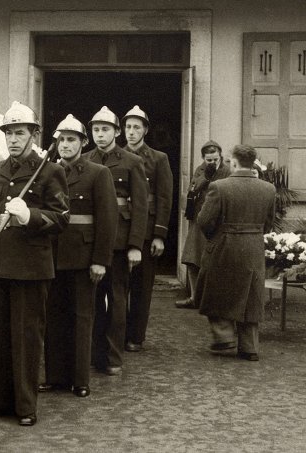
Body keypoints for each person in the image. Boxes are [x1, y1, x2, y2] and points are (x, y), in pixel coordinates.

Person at [0, 102, 69, 426]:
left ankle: (26, 407)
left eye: (20, 133)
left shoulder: (51, 171)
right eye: (9, 133)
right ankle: (0, 402)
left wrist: (31, 216)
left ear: (34, 135)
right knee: (0, 337)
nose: (13, 139)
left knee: (26, 339)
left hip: (30, 266)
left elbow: (61, 218)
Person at [40, 114, 117, 398]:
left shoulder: (97, 173)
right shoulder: (47, 171)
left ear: (83, 143)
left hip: (83, 257)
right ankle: (56, 376)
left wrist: (100, 260)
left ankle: (80, 379)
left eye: (72, 139)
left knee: (82, 317)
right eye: (61, 140)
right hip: (51, 255)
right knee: (53, 317)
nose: (66, 145)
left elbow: (108, 221)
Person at [82, 106, 148, 375]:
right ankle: (93, 354)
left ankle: (112, 357)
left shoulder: (131, 162)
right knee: (92, 301)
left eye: (105, 130)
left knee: (117, 299)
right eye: (96, 130)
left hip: (119, 242)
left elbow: (141, 207)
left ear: (117, 132)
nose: (100, 135)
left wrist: (135, 245)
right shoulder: (85, 159)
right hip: (90, 239)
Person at [194, 144, 275, 361]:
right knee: (250, 294)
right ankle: (250, 347)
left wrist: (215, 237)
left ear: (235, 162)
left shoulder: (219, 187)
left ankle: (224, 336)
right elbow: (269, 223)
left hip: (225, 244)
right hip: (254, 246)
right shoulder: (268, 189)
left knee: (215, 288)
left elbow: (204, 220)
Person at [122, 106, 173, 352]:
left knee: (141, 288)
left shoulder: (158, 158)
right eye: (128, 127)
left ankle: (136, 336)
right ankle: (117, 333)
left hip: (146, 229)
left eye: (136, 128)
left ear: (145, 130)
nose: (131, 132)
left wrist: (159, 235)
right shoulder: (116, 156)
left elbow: (164, 198)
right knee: (119, 286)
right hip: (120, 228)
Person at [177, 141, 231, 309]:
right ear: (203, 159)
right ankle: (195, 298)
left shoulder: (227, 171)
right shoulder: (200, 170)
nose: (213, 163)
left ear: (220, 156)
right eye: (209, 160)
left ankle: (213, 301)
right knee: (192, 260)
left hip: (218, 223)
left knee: (215, 262)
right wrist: (206, 177)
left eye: (215, 159)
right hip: (199, 220)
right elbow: (192, 189)